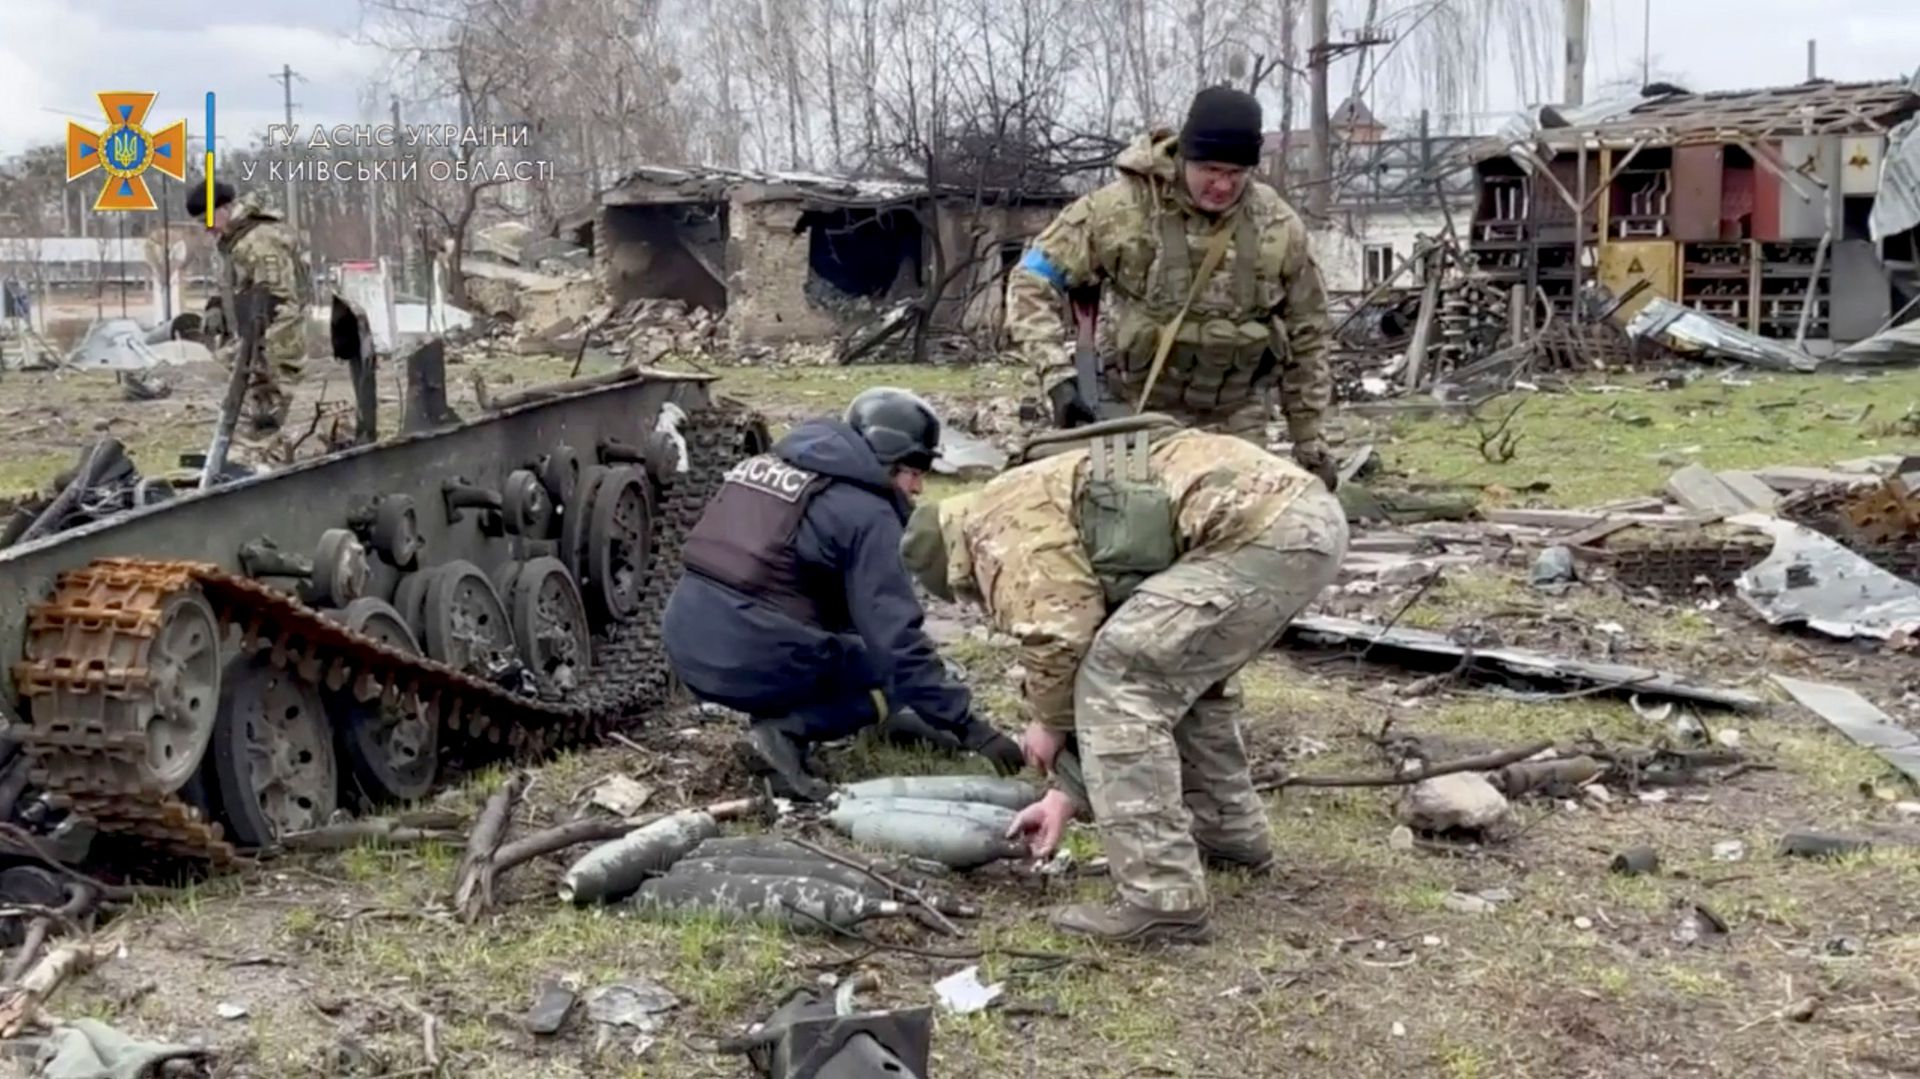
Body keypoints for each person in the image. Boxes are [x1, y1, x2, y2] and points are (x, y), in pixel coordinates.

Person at [898, 417, 1349, 943]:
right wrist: (1066, 792)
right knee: (1170, 678)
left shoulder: (996, 523)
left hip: (1260, 531)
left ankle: (1161, 900)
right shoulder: (1037, 490)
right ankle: (1230, 839)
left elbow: (1061, 633)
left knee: (1120, 682)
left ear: (954, 561)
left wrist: (1047, 721)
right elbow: (1094, 622)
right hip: (1297, 519)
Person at [663, 387, 1024, 800]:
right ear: (888, 456)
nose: (919, 487)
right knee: (893, 674)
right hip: (749, 658)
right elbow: (897, 645)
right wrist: (972, 730)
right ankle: (784, 732)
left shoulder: (769, 465)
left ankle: (810, 707)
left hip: (686, 642)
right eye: (916, 469)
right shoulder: (867, 514)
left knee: (852, 643)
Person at [1004, 86, 1338, 489]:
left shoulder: (1279, 226)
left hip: (1235, 420)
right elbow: (1032, 278)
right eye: (1210, 170)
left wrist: (1309, 442)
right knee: (1131, 534)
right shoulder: (1119, 211)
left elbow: (1309, 334)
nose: (1222, 185)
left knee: (1238, 532)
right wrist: (1056, 376)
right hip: (1134, 413)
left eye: (1235, 174)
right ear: (1184, 158)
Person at [186, 180, 308, 435]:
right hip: (251, 343)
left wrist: (265, 356)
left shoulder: (260, 240)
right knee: (252, 423)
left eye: (207, 218)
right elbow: (239, 286)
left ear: (226, 208)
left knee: (268, 423)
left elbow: (279, 301)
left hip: (272, 348)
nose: (206, 227)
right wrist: (217, 306)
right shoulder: (233, 242)